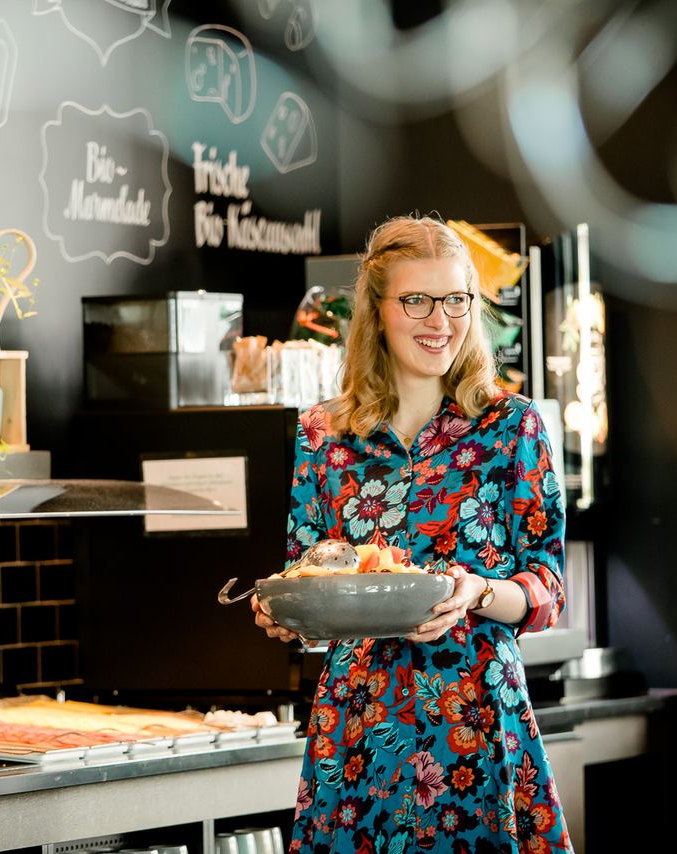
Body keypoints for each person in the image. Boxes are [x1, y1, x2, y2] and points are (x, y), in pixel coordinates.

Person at [254, 216, 572, 852]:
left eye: (456, 299)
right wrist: (288, 615)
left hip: (475, 719)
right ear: (376, 311)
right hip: (358, 728)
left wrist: (477, 591)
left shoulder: (512, 426)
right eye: (417, 300)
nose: (441, 321)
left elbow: (547, 591)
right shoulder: (322, 435)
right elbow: (309, 574)